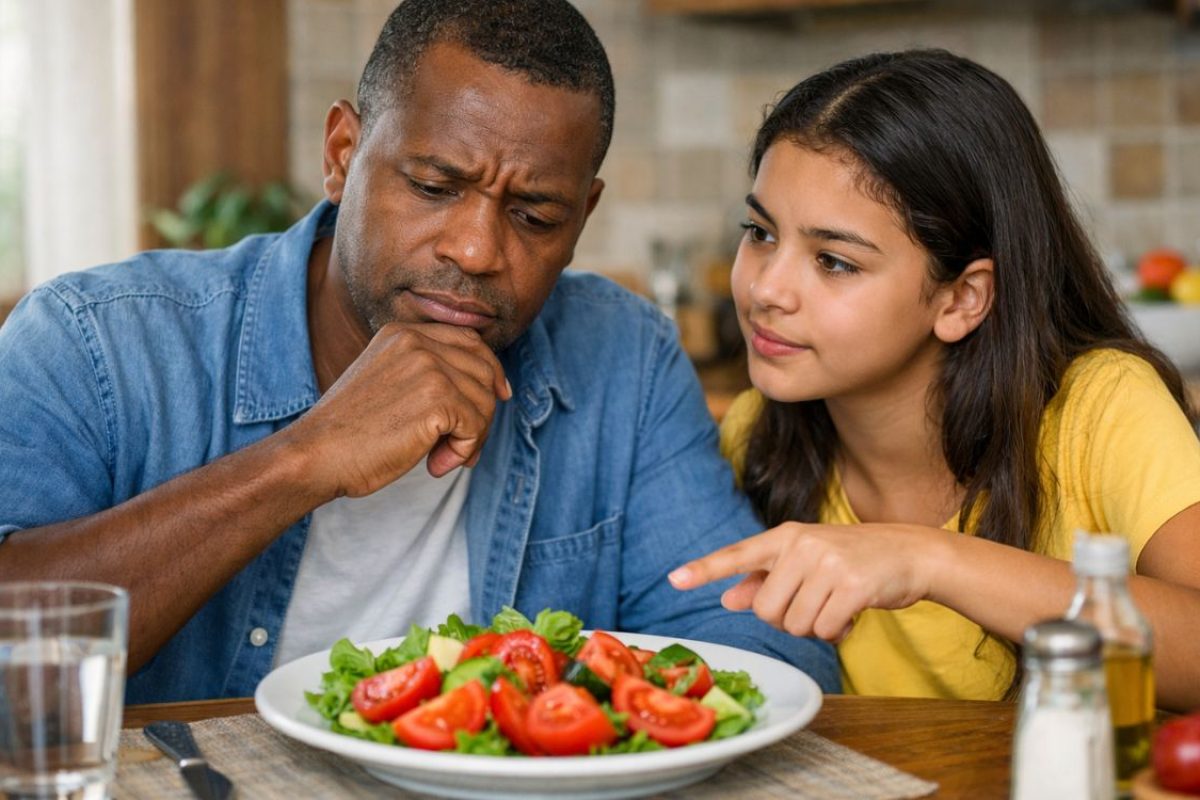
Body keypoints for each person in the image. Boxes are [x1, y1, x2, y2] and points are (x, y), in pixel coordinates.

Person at [0, 0, 836, 703]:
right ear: (342, 156)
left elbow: (754, 656)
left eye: (535, 216)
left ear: (583, 218)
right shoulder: (98, 339)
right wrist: (307, 456)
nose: (475, 249)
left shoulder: (625, 357)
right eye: (434, 187)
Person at [668, 49, 1200, 710]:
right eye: (760, 232)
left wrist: (926, 561)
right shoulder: (758, 433)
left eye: (833, 261)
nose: (766, 289)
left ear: (962, 299)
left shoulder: (1101, 407)